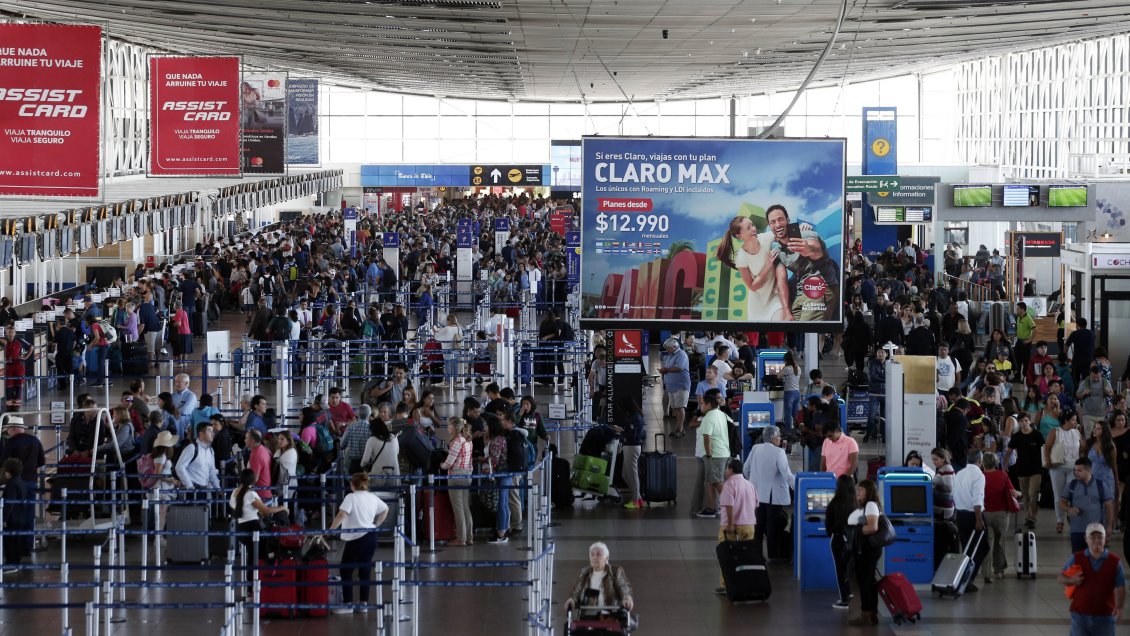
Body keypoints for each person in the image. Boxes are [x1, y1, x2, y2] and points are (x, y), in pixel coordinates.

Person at [765, 204, 840, 321]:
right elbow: (781, 281)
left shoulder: (804, 234)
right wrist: (786, 311)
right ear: (770, 225)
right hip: (800, 293)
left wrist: (809, 249)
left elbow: (817, 249)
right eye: (773, 222)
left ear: (788, 220)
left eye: (781, 219)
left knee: (811, 332)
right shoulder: (776, 249)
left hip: (820, 286)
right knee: (798, 333)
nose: (778, 225)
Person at [328, 472, 390, 613]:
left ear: (352, 485)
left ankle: (348, 604)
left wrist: (331, 530)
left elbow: (342, 514)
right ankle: (363, 604)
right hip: (371, 536)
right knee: (365, 570)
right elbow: (385, 509)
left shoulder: (351, 497)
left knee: (346, 569)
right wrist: (376, 524)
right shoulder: (372, 497)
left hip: (356, 538)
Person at [714, 215, 790, 321]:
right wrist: (768, 265)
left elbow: (786, 234)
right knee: (756, 337)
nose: (754, 229)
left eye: (752, 225)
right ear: (739, 236)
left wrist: (803, 227)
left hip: (775, 296)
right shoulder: (741, 257)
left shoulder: (766, 238)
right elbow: (752, 287)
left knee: (777, 331)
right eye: (748, 228)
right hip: (757, 302)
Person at [1058, 523, 1126, 636]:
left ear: (1105, 539)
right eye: (1092, 537)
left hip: (1105, 617)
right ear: (1086, 539)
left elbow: (1121, 585)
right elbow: (1060, 577)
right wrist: (1072, 580)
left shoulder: (1115, 562)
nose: (1096, 541)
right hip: (1080, 617)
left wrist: (1119, 606)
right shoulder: (1076, 558)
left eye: (1100, 537)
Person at [743, 426, 794, 562]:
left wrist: (753, 482)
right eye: (779, 437)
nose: (780, 439)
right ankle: (773, 554)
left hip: (757, 494)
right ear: (773, 438)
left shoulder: (755, 448)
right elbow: (787, 475)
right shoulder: (779, 452)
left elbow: (745, 469)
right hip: (773, 495)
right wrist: (799, 487)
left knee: (759, 525)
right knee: (772, 526)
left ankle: (758, 555)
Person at [715, 458, 759, 595]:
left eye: (727, 468)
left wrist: (729, 524)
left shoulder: (729, 484)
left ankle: (727, 584)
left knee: (727, 555)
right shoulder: (749, 484)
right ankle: (748, 582)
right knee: (747, 555)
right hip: (749, 525)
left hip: (732, 526)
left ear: (731, 470)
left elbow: (729, 505)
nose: (726, 471)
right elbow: (756, 504)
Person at [229, 468, 287, 568]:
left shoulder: (234, 492)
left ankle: (251, 580)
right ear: (253, 480)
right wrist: (282, 508)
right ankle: (256, 578)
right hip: (253, 528)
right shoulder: (250, 494)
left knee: (252, 553)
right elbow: (265, 510)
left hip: (240, 528)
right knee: (258, 554)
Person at [847, 479, 883, 626]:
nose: (858, 492)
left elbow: (873, 527)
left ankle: (866, 614)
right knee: (868, 581)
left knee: (865, 582)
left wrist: (855, 531)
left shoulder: (870, 505)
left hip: (868, 549)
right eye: (858, 489)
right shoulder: (866, 506)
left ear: (869, 492)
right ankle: (871, 613)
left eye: (861, 489)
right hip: (865, 549)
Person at [952, 449, 989, 592]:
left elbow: (954, 494)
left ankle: (963, 576)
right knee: (982, 547)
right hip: (974, 515)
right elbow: (977, 499)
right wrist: (979, 520)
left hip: (960, 515)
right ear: (980, 460)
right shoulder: (979, 475)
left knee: (967, 548)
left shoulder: (960, 473)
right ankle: (968, 578)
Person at [1061, 457, 1115, 553]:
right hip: (1076, 531)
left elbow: (1109, 507)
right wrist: (1069, 509)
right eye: (1075, 470)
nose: (1076, 473)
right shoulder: (1072, 485)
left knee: (1096, 562)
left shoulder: (1101, 486)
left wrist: (1109, 526)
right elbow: (1062, 501)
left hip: (1096, 532)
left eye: (1079, 470)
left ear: (1089, 470)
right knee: (1078, 561)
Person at [563, 542, 635, 613]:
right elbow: (576, 591)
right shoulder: (585, 573)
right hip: (588, 616)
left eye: (598, 554)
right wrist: (571, 600)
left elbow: (624, 587)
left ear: (606, 557)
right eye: (592, 554)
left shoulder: (615, 571)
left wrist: (627, 598)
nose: (595, 557)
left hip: (610, 616)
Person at [982, 453, 1019, 582]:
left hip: (985, 513)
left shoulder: (981, 476)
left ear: (983, 463)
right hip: (1002, 514)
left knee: (987, 543)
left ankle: (986, 573)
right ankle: (999, 571)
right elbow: (1013, 492)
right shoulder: (1002, 475)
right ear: (996, 462)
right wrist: (1019, 494)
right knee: (1000, 542)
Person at [1048, 409, 1085, 535]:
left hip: (1073, 467)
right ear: (1066, 420)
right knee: (1058, 495)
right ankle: (1059, 520)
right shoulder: (1055, 432)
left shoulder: (1076, 433)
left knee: (1073, 493)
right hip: (1057, 467)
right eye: (1073, 420)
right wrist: (1048, 462)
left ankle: (1071, 515)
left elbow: (1082, 448)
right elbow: (1047, 447)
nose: (1075, 422)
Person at [1006, 413, 1046, 530]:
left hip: (1036, 469)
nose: (1024, 423)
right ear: (1019, 422)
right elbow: (1009, 451)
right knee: (1026, 495)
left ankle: (1032, 518)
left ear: (1029, 421)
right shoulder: (1016, 436)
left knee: (1033, 493)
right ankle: (1028, 517)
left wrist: (1045, 463)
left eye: (1026, 420)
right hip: (1022, 469)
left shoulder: (1037, 435)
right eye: (1022, 421)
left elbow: (1043, 449)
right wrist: (1004, 464)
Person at [440, 417, 474, 546]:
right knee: (465, 507)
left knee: (458, 508)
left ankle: (461, 539)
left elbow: (449, 462)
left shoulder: (457, 441)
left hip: (456, 476)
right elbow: (470, 461)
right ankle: (469, 537)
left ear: (455, 427)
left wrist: (441, 465)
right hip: (467, 475)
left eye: (449, 425)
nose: (448, 428)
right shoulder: (468, 440)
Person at [696, 393, 731, 518]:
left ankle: (733, 506)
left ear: (708, 405)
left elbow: (707, 437)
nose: (700, 406)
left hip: (714, 455)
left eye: (702, 404)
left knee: (716, 481)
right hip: (723, 452)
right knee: (710, 481)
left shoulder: (709, 417)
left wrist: (709, 455)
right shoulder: (721, 414)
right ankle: (711, 509)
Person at [825, 474, 857, 610]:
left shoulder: (834, 503)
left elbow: (828, 524)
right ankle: (848, 592)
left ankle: (843, 599)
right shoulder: (855, 503)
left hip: (838, 539)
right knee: (847, 567)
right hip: (852, 539)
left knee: (840, 569)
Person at [1, 458, 33, 572]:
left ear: (8, 471)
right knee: (17, 541)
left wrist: (4, 518)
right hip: (21, 517)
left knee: (10, 542)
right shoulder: (21, 483)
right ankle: (16, 563)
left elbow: (10, 503)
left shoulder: (11, 485)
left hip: (12, 518)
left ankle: (11, 564)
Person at [658, 338, 691, 438]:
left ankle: (679, 429)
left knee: (680, 407)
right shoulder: (670, 355)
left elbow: (679, 367)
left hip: (680, 385)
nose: (667, 350)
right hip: (671, 386)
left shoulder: (681, 354)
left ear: (675, 347)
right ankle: (679, 428)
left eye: (668, 348)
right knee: (675, 408)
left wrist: (666, 370)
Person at [618, 396, 646, 509]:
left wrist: (622, 433)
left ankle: (635, 500)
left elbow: (631, 435)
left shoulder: (635, 418)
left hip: (632, 447)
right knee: (625, 474)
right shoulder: (637, 416)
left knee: (633, 474)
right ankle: (638, 497)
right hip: (631, 447)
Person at [1077, 366, 1114, 439]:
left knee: (1101, 437)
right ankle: (1090, 450)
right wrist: (1084, 393)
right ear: (1090, 375)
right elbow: (1078, 395)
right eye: (1094, 377)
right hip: (1088, 415)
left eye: (1098, 377)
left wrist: (1108, 393)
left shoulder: (1105, 382)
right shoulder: (1085, 382)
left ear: (1100, 374)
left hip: (1102, 415)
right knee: (1090, 438)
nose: (1096, 379)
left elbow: (1112, 393)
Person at [931, 447, 956, 521]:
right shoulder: (944, 468)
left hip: (943, 509)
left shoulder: (946, 470)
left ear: (943, 459)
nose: (934, 462)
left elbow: (949, 488)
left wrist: (931, 487)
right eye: (932, 459)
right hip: (944, 507)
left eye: (936, 459)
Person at [780, 351, 801, 435]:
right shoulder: (798, 368)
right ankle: (796, 431)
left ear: (786, 360)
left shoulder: (787, 368)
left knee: (788, 414)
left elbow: (778, 376)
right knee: (795, 414)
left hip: (789, 393)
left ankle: (788, 432)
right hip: (797, 393)